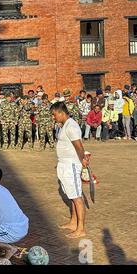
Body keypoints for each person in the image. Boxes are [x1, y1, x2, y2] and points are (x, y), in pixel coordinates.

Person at [51, 102, 88, 238]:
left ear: (61, 113)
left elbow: (78, 145)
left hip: (71, 164)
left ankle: (81, 228)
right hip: (64, 164)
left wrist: (83, 159)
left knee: (76, 197)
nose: (54, 117)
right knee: (71, 195)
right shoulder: (65, 125)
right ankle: (73, 222)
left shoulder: (71, 126)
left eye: (54, 115)